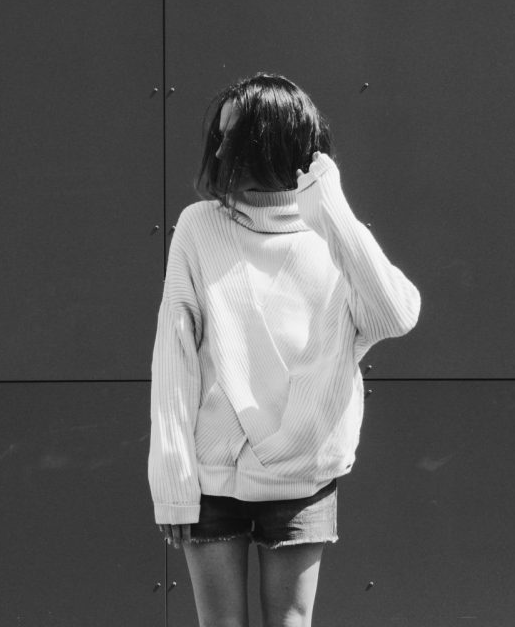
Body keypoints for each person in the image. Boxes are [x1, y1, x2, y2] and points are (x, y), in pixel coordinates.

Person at [148, 72, 420, 627]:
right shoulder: (199, 227)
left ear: (271, 142)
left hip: (302, 475)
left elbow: (396, 316)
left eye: (232, 137)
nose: (218, 152)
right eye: (218, 137)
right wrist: (173, 483)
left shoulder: (335, 236)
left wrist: (331, 206)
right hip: (210, 474)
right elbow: (173, 357)